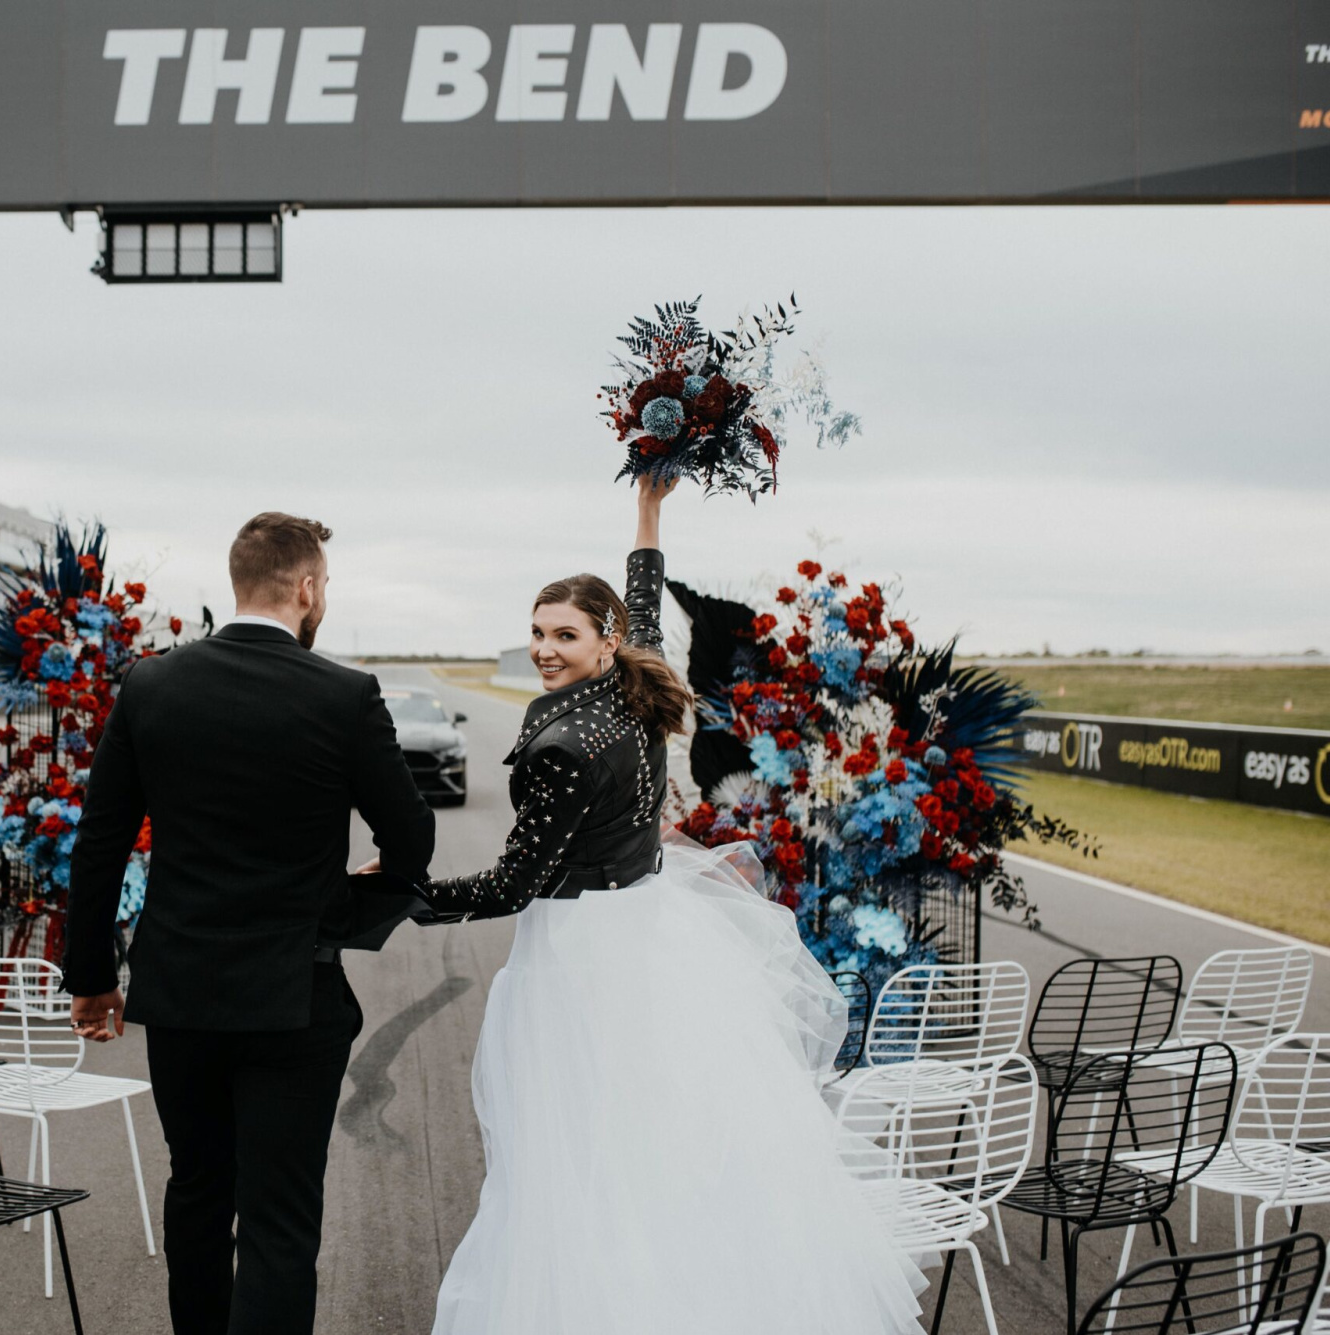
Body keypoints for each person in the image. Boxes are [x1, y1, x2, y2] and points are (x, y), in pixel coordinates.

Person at [415, 477, 927, 1334]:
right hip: (652, 931)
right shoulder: (637, 684)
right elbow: (646, 596)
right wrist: (649, 513)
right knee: (657, 1137)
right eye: (537, 631)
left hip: (579, 955)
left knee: (578, 1156)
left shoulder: (565, 744)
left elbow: (511, 884)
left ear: (603, 640)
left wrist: (399, 894)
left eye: (563, 634)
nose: (543, 648)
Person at [64, 511, 436, 1335]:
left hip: (181, 995)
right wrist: (351, 903)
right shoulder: (344, 695)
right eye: (325, 586)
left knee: (197, 1192)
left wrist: (90, 977)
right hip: (293, 996)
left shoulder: (150, 686)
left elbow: (99, 843)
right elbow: (412, 838)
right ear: (306, 588)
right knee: (280, 1218)